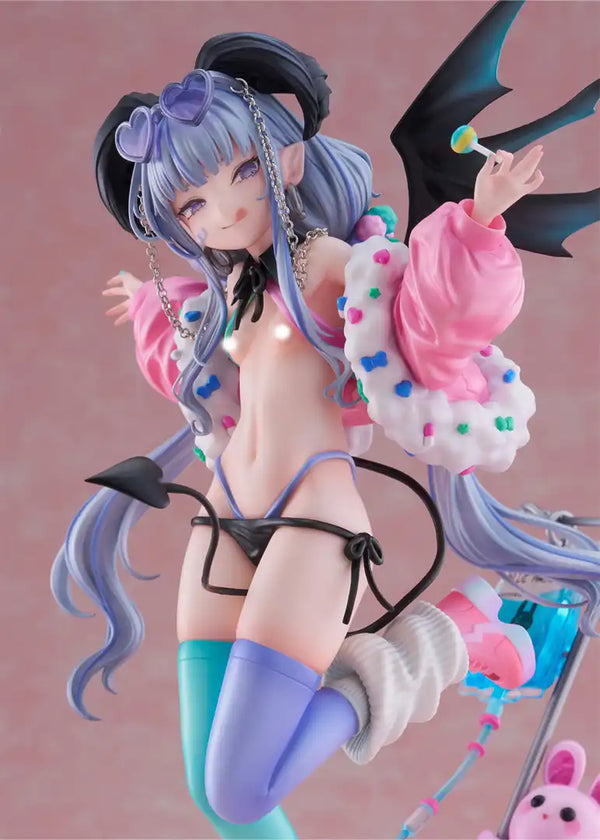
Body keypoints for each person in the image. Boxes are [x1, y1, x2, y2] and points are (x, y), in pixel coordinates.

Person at [53, 7, 600, 837]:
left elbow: (430, 319)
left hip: (313, 524)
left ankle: (452, 635)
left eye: (240, 173)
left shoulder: (333, 267)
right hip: (223, 518)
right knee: (218, 797)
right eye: (192, 204)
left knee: (241, 791)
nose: (218, 213)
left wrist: (477, 224)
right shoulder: (230, 291)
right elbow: (199, 365)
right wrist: (146, 304)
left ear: (288, 159)